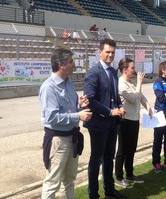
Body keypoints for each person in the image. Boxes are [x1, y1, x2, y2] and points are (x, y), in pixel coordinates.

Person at [39, 48, 92, 199]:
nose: (73, 65)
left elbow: (67, 110)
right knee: (52, 183)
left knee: (69, 180)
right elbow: (52, 117)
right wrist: (78, 115)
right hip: (58, 140)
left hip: (71, 137)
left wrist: (79, 106)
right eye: (70, 62)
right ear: (62, 65)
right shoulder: (49, 87)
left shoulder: (68, 83)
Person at [83, 38, 127, 199]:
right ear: (100, 52)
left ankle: (109, 190)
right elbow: (90, 99)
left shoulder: (113, 72)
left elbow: (115, 96)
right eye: (107, 52)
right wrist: (110, 111)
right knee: (96, 159)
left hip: (112, 123)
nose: (110, 55)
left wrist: (120, 106)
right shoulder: (93, 72)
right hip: (99, 123)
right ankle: (93, 194)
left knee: (109, 157)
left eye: (112, 52)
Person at [115, 58, 153, 189]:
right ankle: (119, 177)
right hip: (125, 121)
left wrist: (148, 107)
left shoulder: (131, 82)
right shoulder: (121, 84)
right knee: (123, 150)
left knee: (132, 149)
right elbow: (133, 98)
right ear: (125, 70)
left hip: (134, 120)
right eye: (132, 68)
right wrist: (140, 83)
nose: (135, 71)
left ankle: (130, 174)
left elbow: (141, 96)